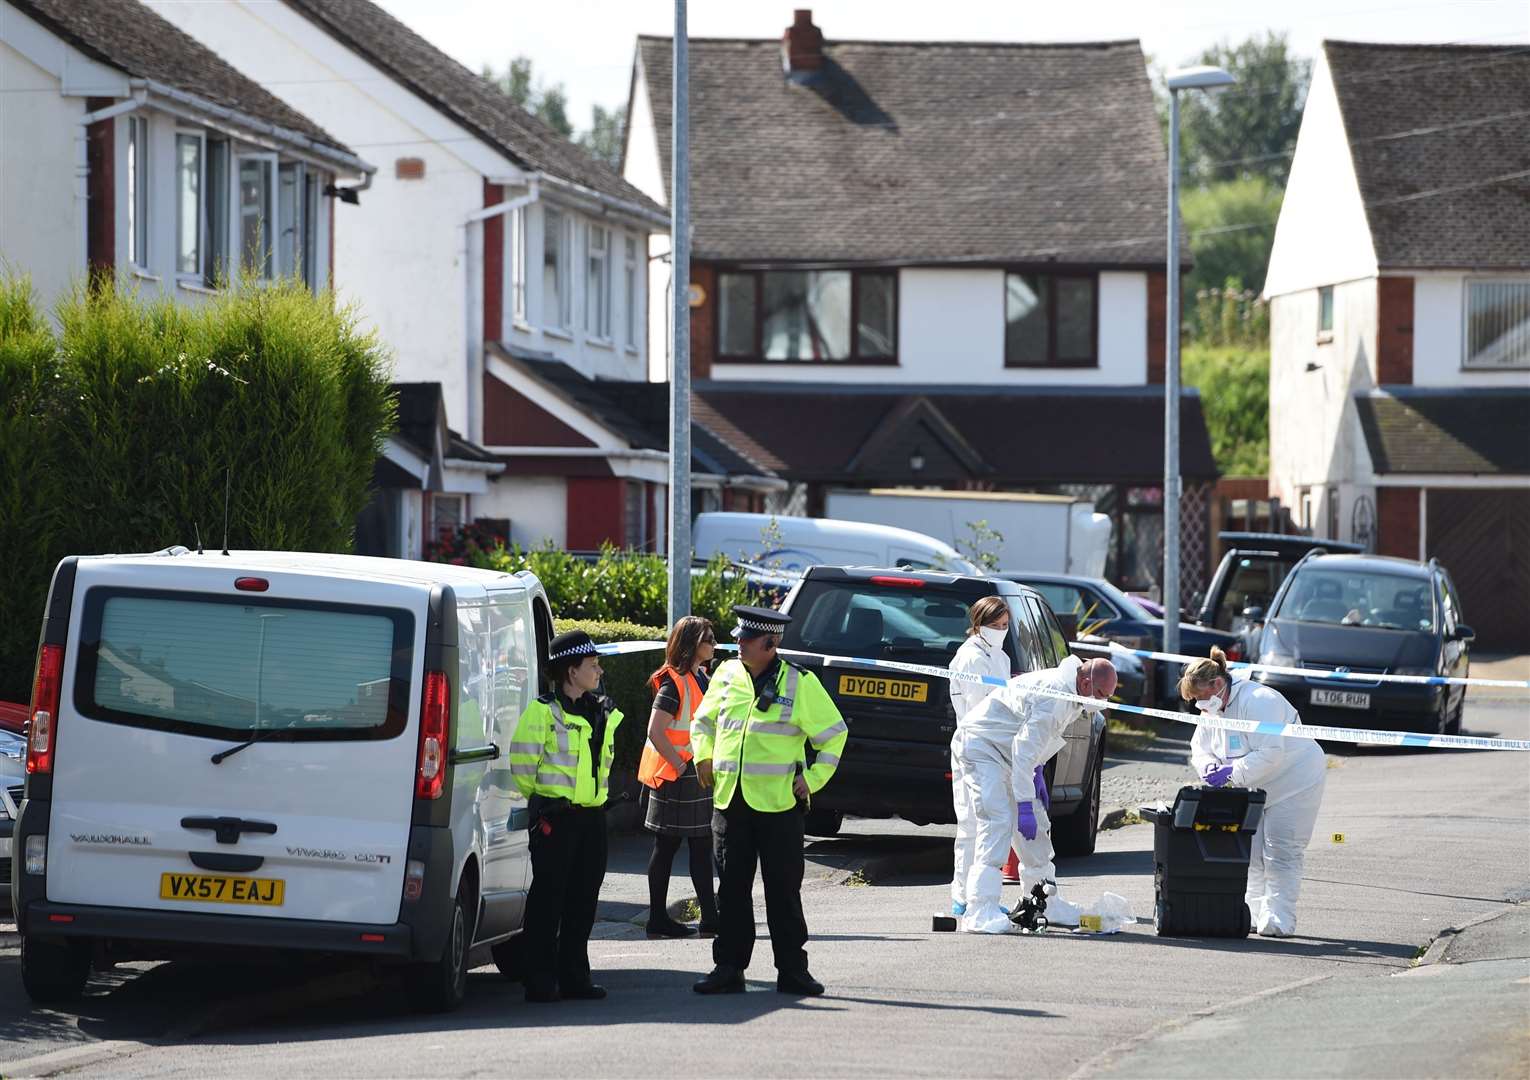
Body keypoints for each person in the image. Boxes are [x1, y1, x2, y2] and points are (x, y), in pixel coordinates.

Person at [690, 605, 849, 996]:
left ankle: (793, 971)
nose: (738, 644)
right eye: (739, 637)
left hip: (779, 806)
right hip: (731, 801)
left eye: (746, 639)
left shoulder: (800, 682)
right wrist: (703, 755)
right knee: (730, 890)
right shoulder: (726, 675)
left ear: (770, 643)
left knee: (782, 892)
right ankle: (728, 967)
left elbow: (833, 735)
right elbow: (703, 722)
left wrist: (812, 779)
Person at [955, 655, 1117, 934]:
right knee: (998, 821)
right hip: (983, 748)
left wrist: (1038, 770)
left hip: (1009, 754)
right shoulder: (1055, 695)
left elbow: (1034, 744)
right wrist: (1024, 804)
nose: (1102, 702)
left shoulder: (1071, 694)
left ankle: (1045, 902)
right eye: (1101, 694)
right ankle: (980, 909)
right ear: (1086, 681)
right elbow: (1023, 751)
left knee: (1037, 829)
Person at [508, 630, 623, 1003]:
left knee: (583, 900)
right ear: (571, 672)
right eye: (593, 665)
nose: (600, 671)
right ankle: (539, 979)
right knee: (548, 901)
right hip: (556, 819)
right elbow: (523, 767)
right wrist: (543, 803)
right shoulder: (542, 712)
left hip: (591, 819)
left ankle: (575, 977)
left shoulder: (600, 709)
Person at [1180, 647, 1327, 938]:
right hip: (1256, 788)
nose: (1199, 705)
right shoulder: (1213, 708)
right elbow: (1201, 747)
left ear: (1217, 685)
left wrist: (1231, 774)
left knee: (1282, 851)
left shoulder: (1260, 701)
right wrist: (1208, 767)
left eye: (1199, 698)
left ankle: (1280, 918)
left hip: (1295, 781)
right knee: (1252, 855)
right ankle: (1250, 912)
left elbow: (1271, 752)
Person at [638, 615, 719, 938]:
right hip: (676, 775)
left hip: (691, 772)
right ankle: (659, 918)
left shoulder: (701, 677)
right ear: (691, 644)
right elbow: (655, 730)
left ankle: (708, 918)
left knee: (698, 845)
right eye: (708, 638)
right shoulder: (674, 682)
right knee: (669, 845)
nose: (713, 643)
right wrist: (681, 764)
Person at [947, 596, 1014, 918]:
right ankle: (965, 896)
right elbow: (980, 708)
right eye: (995, 625)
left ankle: (977, 894)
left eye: (1005, 625)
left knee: (984, 824)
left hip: (994, 746)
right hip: (976, 744)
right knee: (973, 825)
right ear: (978, 624)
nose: (1001, 631)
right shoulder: (972, 658)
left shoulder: (998, 656)